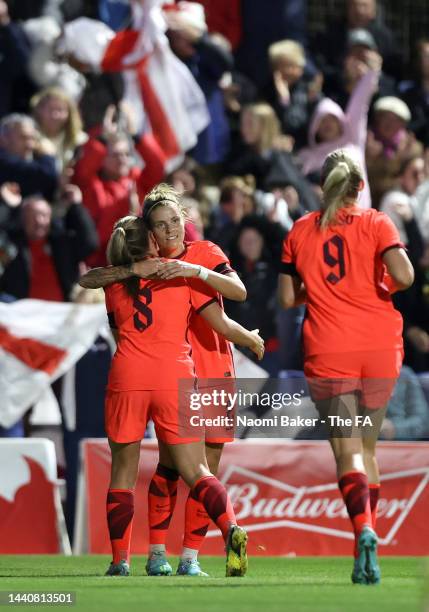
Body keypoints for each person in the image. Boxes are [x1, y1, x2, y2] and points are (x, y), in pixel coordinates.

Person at [79, 183, 248, 576]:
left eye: (174, 221)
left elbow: (93, 286)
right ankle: (231, 528)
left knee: (123, 471)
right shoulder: (180, 276)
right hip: (178, 375)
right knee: (198, 471)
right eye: (161, 225)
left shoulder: (114, 284)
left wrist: (130, 271)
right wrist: (251, 338)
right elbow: (220, 319)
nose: (170, 230)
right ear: (152, 236)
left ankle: (121, 561)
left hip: (131, 375)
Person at [278, 148, 414, 584]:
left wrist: (318, 290)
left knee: (347, 449)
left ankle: (364, 531)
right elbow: (405, 276)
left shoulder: (300, 230)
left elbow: (285, 298)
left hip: (330, 348)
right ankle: (368, 537)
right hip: (379, 345)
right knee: (368, 448)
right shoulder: (378, 222)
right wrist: (372, 281)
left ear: (323, 186)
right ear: (359, 186)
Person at [0, 187, 98, 301]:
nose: (39, 221)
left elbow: (90, 243)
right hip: (21, 315)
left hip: (60, 312)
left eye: (44, 215)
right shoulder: (11, 246)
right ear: (23, 218)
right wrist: (8, 206)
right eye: (33, 215)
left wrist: (76, 205)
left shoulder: (61, 244)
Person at [0, 113, 58, 200]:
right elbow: (45, 175)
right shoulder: (3, 161)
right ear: (4, 139)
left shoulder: (34, 160)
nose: (30, 145)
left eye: (33, 138)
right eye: (23, 138)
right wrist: (48, 155)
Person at [31, 86, 87, 171]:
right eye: (50, 109)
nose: (55, 115)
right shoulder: (27, 135)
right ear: (39, 110)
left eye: (60, 110)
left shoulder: (80, 140)